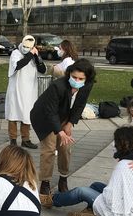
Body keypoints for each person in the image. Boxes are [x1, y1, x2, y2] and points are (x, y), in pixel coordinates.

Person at [51, 127, 133, 216]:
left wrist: (100, 198)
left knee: (80, 192)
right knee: (96, 185)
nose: (113, 145)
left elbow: (110, 200)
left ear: (124, 144)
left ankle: (52, 200)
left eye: (115, 141)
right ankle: (90, 212)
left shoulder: (124, 166)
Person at [30, 59, 96, 203]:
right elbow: (50, 112)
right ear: (69, 74)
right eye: (74, 77)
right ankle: (45, 182)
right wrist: (59, 131)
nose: (77, 80)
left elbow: (79, 105)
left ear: (87, 79)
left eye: (81, 78)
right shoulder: (57, 86)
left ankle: (63, 178)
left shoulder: (87, 86)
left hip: (64, 115)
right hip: (44, 117)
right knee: (49, 149)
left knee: (65, 147)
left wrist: (70, 123)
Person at [5, 35, 46, 149]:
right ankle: (13, 139)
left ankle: (26, 139)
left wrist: (37, 57)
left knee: (27, 114)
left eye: (29, 47)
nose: (26, 48)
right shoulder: (16, 53)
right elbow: (18, 65)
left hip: (29, 90)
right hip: (16, 89)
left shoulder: (33, 55)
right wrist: (30, 55)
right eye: (25, 46)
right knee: (13, 114)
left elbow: (42, 69)